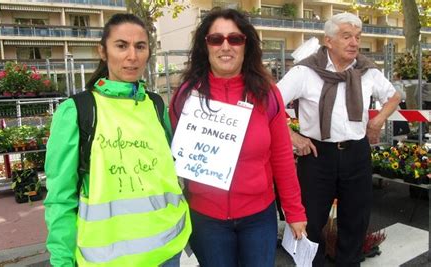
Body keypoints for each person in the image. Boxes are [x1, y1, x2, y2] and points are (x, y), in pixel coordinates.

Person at [44, 13, 191, 267]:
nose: (132, 56)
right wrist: (62, 260)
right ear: (103, 51)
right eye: (121, 46)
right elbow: (60, 197)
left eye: (140, 46)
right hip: (108, 259)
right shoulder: (78, 111)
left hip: (168, 249)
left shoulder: (155, 105)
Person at [169, 8, 307, 267]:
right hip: (206, 218)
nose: (225, 46)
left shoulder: (267, 94)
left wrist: (294, 211)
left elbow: (281, 158)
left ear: (246, 45)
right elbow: (175, 156)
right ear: (205, 46)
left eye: (235, 39)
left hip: (258, 217)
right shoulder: (186, 96)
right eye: (216, 39)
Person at [277, 12, 401, 266]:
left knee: (356, 221)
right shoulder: (305, 71)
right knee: (311, 221)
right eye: (347, 36)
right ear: (329, 41)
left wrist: (377, 121)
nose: (354, 42)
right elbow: (270, 105)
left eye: (357, 37)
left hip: (356, 153)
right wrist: (292, 137)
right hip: (317, 155)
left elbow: (394, 96)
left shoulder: (366, 70)